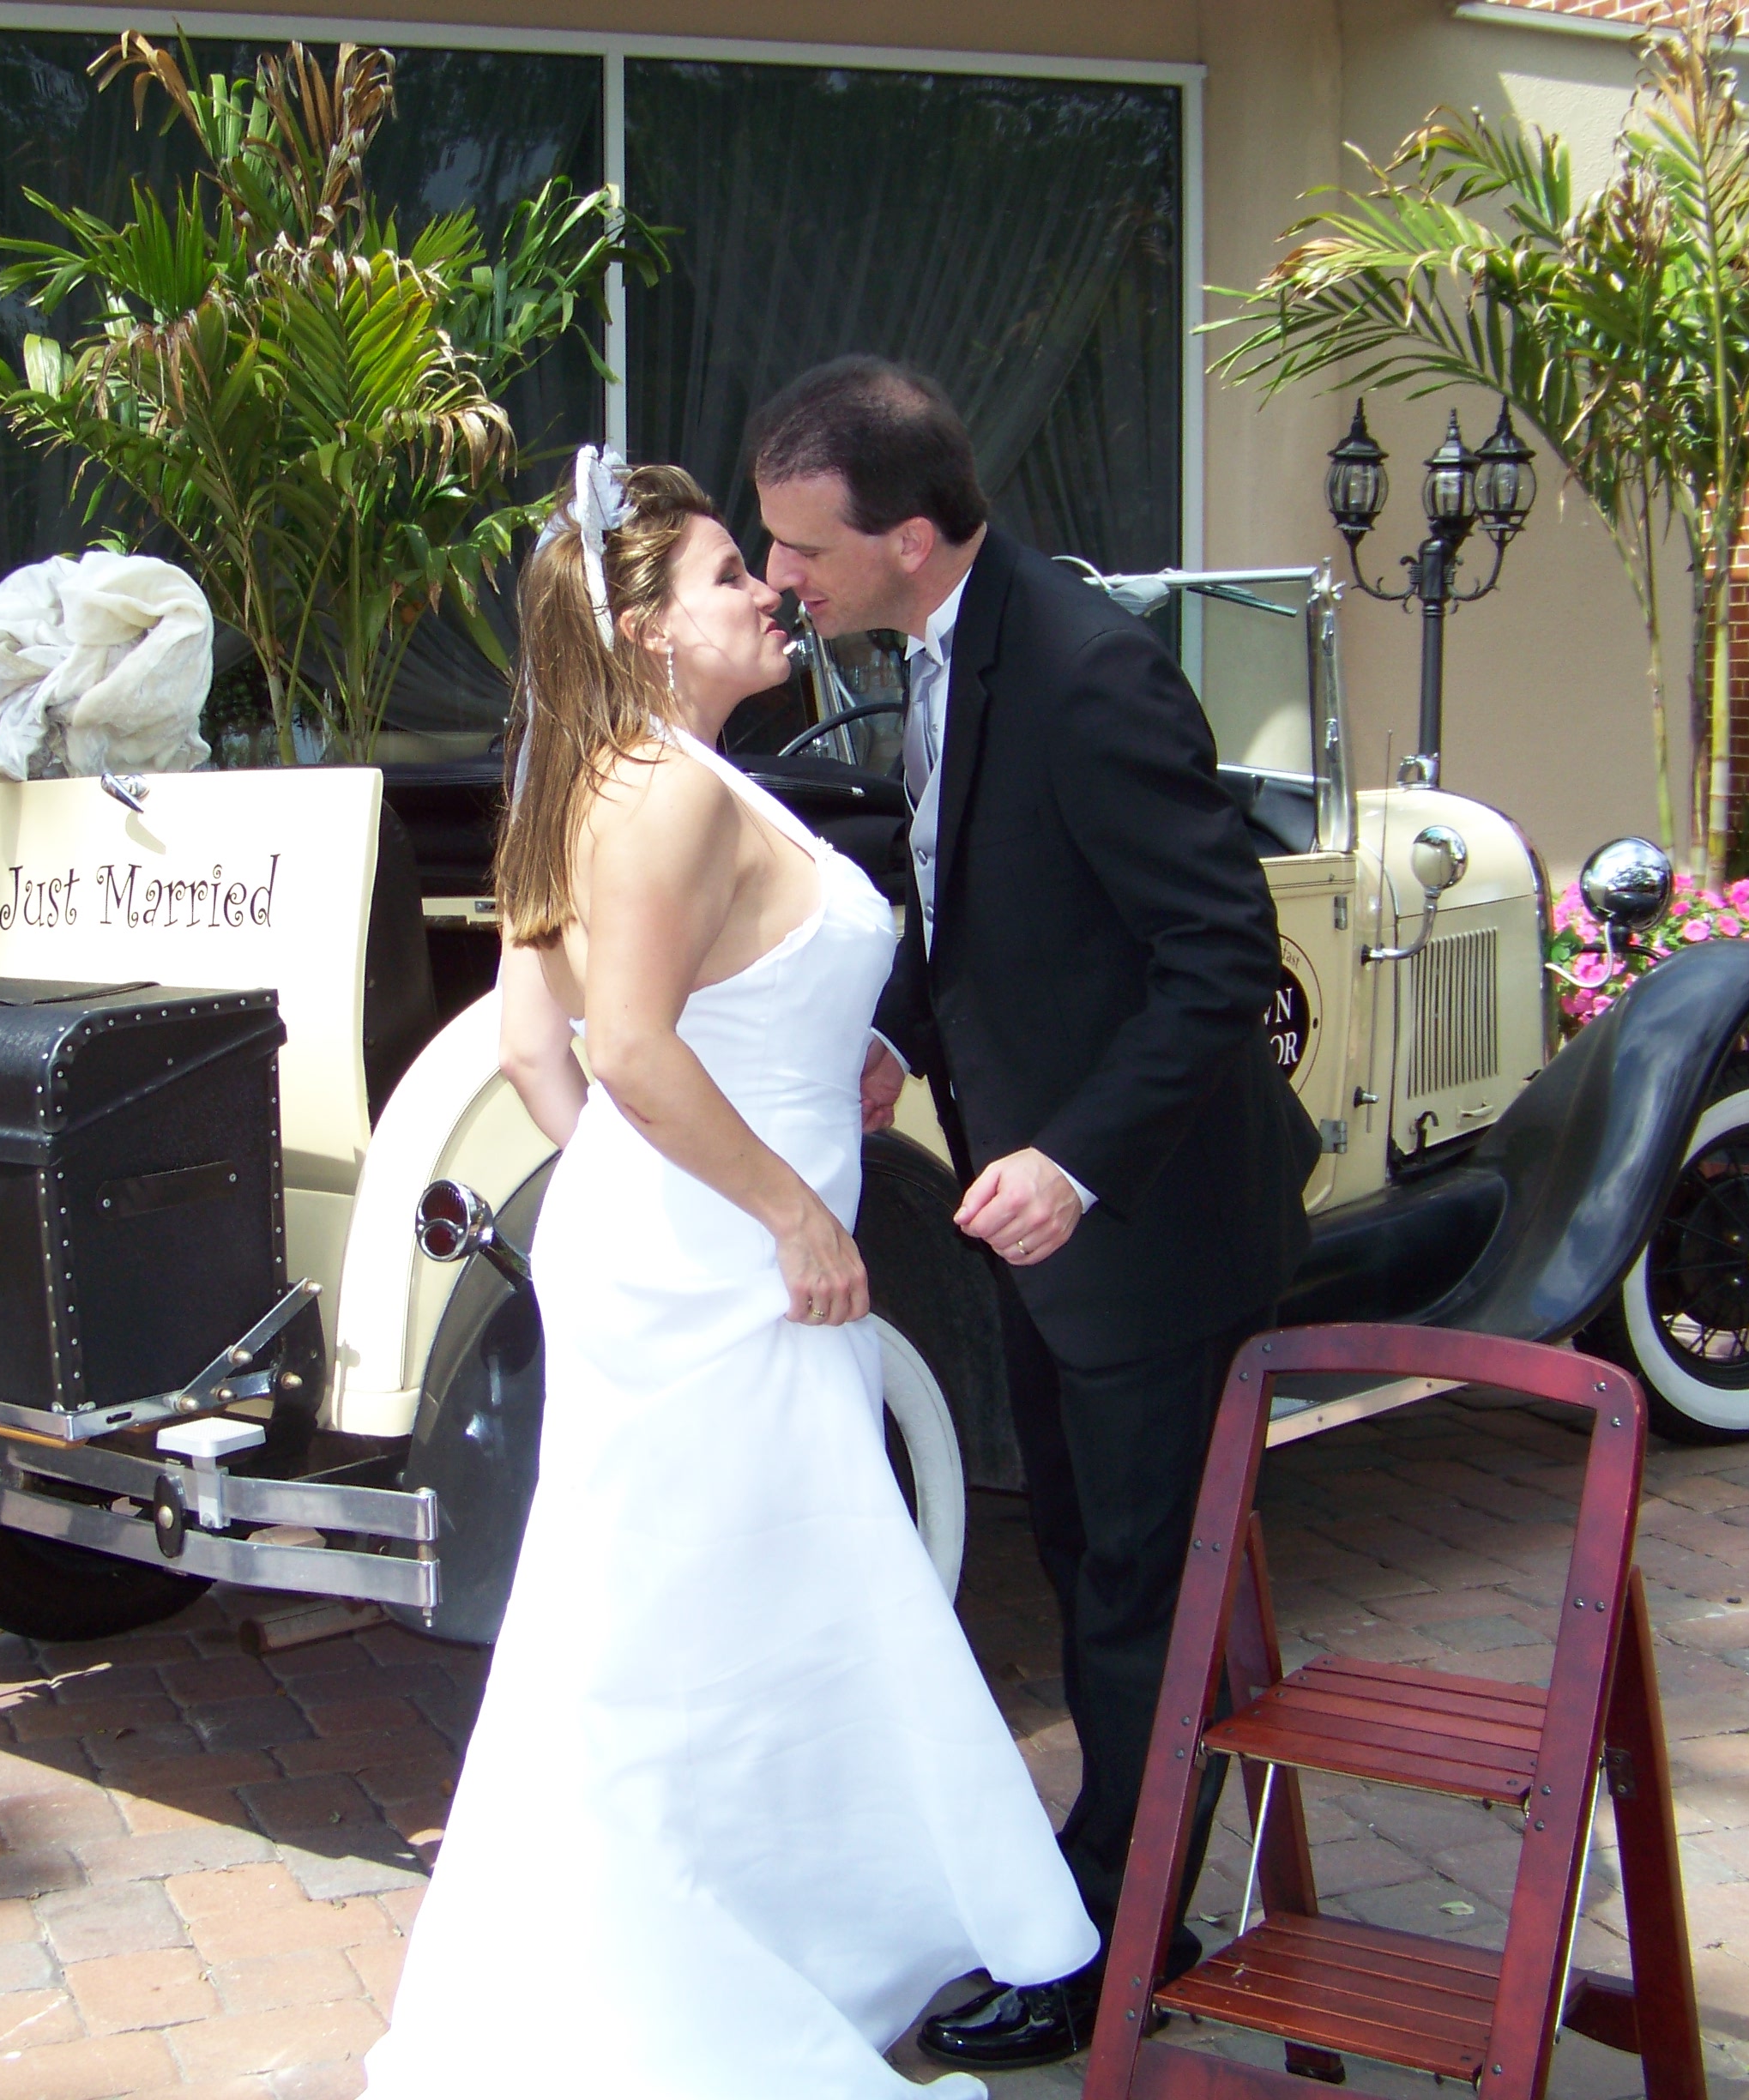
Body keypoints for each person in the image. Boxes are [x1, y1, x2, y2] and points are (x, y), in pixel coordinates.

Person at [361, 451, 1096, 2098]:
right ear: (644, 631)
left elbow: (544, 1049)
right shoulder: (666, 790)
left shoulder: (628, 777)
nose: (765, 591)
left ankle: (763, 1942)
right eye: (723, 575)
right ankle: (704, 1989)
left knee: (712, 1623)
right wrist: (782, 1210)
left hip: (679, 1255)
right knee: (716, 1626)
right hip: (728, 1272)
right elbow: (623, 1046)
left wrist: (790, 1095)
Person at [753, 359, 1319, 2071]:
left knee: (1136, 1587)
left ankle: (1121, 1942)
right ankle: (1116, 1892)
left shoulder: (1085, 671)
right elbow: (988, 910)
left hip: (1149, 1231)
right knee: (1086, 1565)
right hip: (1052, 1229)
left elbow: (1219, 958)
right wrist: (895, 1037)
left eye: (803, 548)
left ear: (911, 539)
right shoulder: (949, 646)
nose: (782, 579)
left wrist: (1071, 1160)